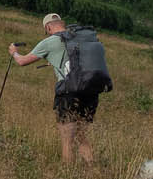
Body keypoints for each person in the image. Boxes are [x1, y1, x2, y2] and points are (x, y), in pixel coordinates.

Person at [8, 13, 98, 163]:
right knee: (82, 136)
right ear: (62, 24)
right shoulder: (78, 38)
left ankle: (68, 177)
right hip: (90, 91)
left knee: (67, 139)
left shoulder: (49, 42)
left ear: (48, 27)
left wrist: (14, 53)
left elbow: (22, 61)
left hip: (69, 92)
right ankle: (92, 172)